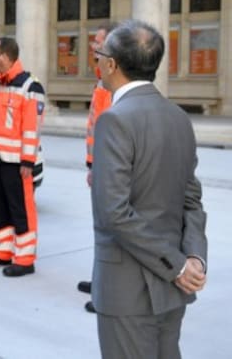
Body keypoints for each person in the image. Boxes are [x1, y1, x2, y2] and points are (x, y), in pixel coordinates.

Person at [91, 19, 207, 359]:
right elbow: (192, 200)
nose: (96, 60)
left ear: (111, 64)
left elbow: (114, 212)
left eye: (99, 53)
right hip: (174, 285)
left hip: (129, 290)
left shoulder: (115, 119)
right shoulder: (178, 116)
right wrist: (194, 258)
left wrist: (181, 265)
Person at [0, 37, 45, 277]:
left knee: (21, 210)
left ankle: (25, 258)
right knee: (2, 208)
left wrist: (27, 161)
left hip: (17, 163)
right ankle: (3, 250)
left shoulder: (30, 86)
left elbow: (31, 128)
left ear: (4, 56)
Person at [79, 22, 116, 314]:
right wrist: (91, 163)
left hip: (111, 168)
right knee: (100, 228)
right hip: (99, 165)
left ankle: (108, 290)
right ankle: (99, 279)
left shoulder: (114, 84)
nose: (93, 46)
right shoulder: (101, 80)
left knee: (110, 230)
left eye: (98, 42)